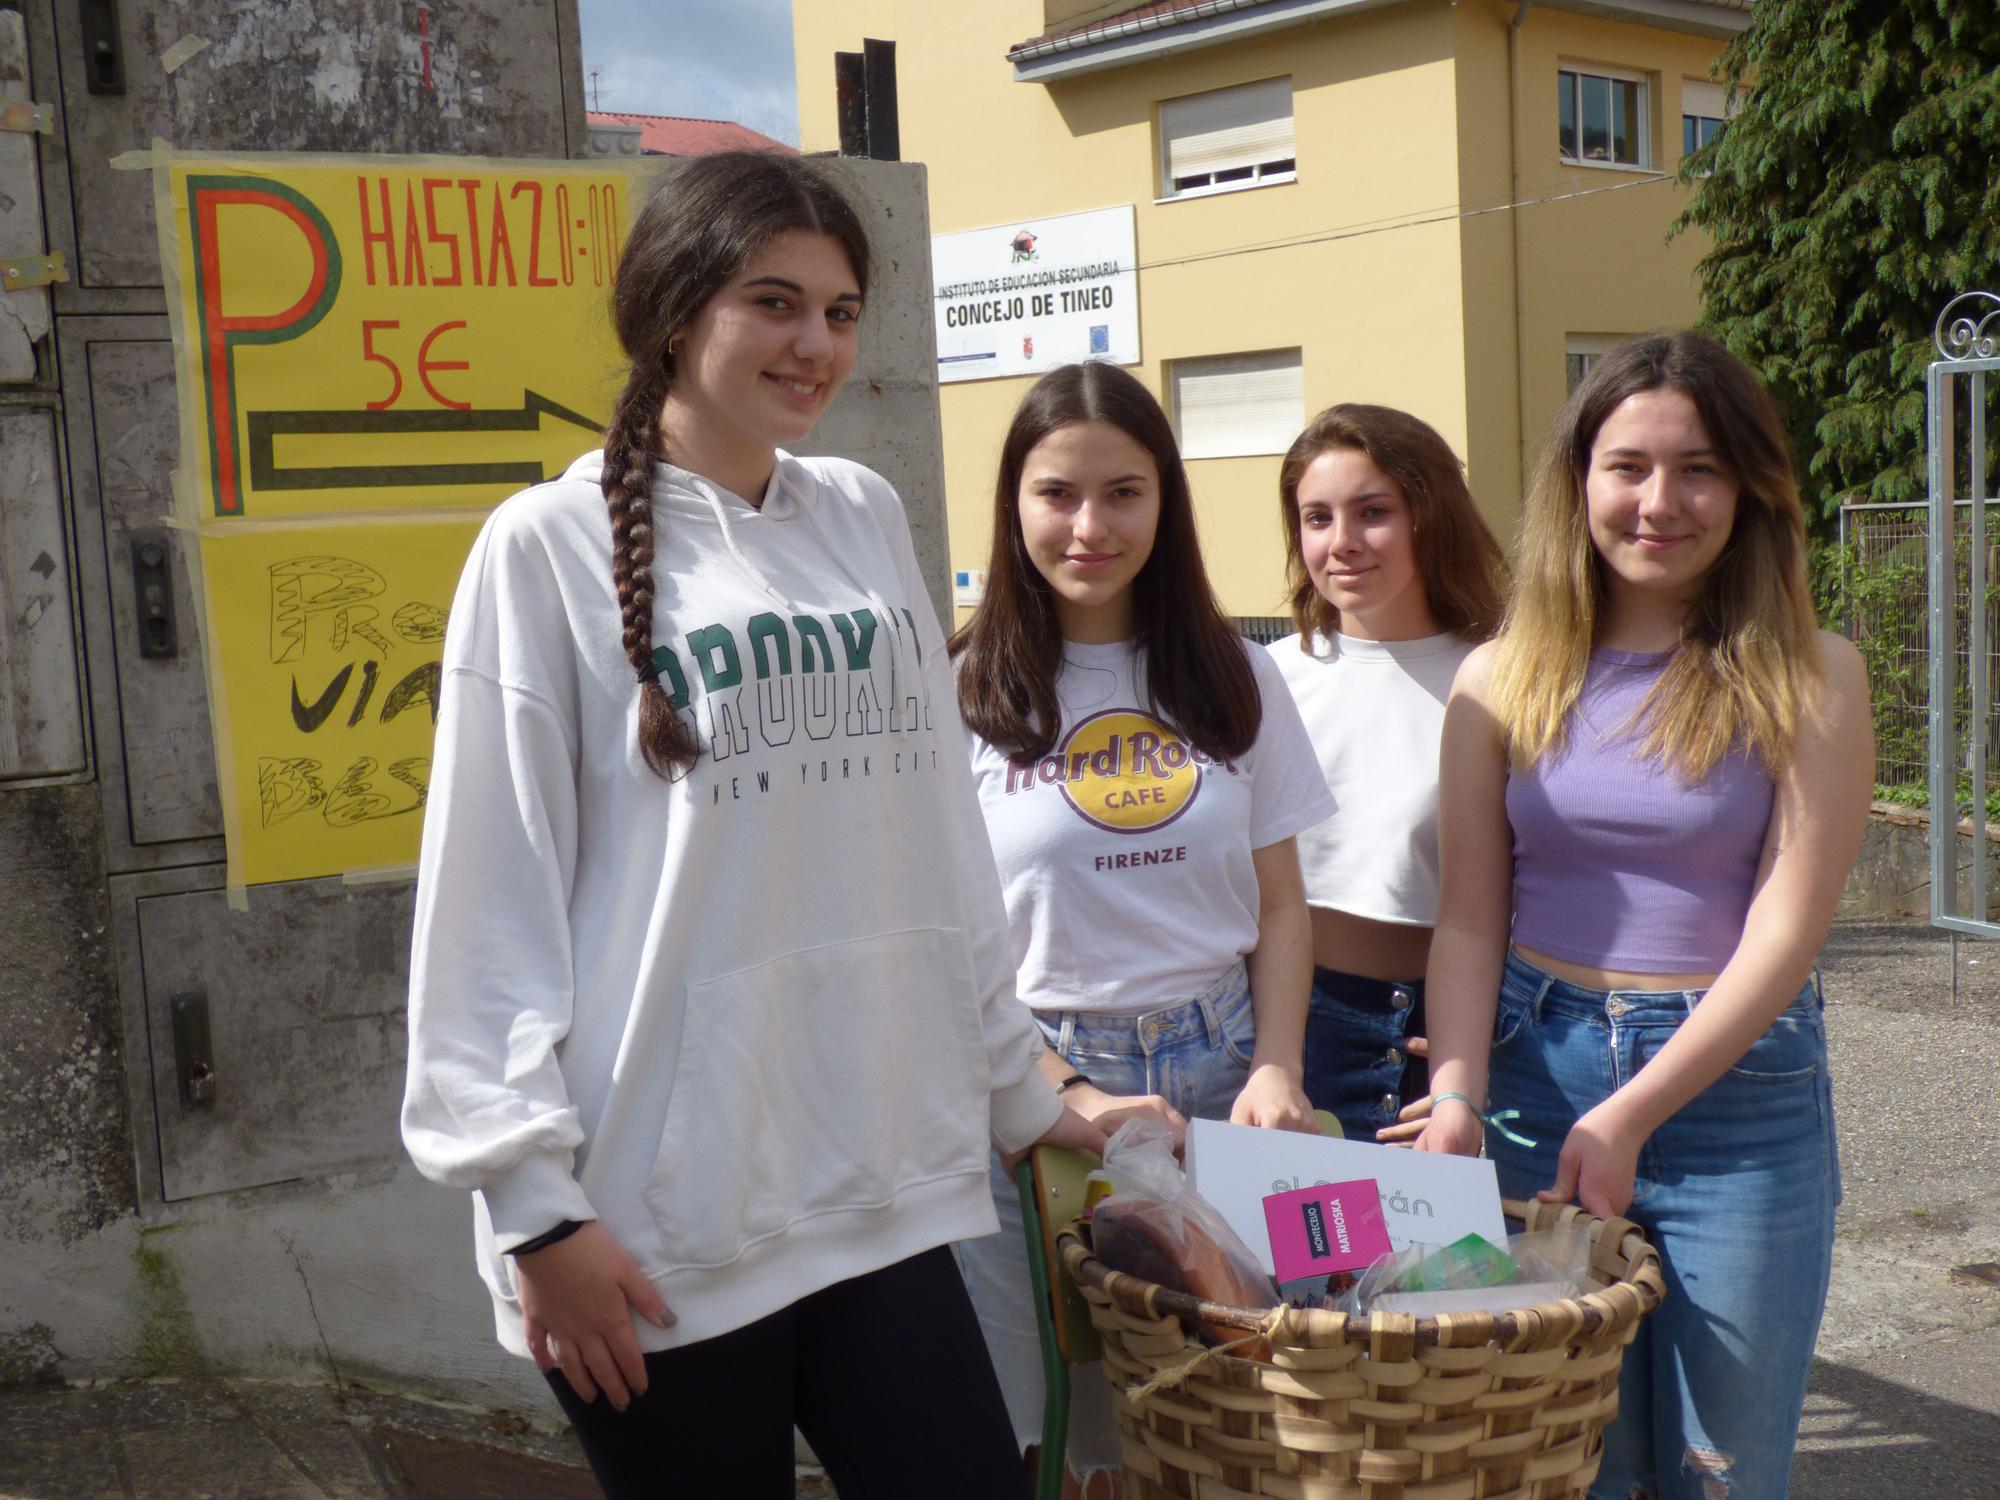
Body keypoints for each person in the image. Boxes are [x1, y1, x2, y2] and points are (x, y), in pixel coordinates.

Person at [399, 151, 1100, 1500]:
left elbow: (935, 826)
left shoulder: (861, 512)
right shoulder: (541, 548)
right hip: (656, 1222)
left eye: (840, 312)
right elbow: (489, 889)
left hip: (878, 1177)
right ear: (674, 309)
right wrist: (530, 1205)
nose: (815, 344)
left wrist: (1019, 1084)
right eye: (774, 303)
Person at [1416, 332, 1871, 1498]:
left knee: (1721, 1473)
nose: (1657, 501)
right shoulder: (1496, 676)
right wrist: (1457, 1095)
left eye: (1698, 469)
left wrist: (1629, 1113)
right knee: (1563, 1461)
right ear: (1578, 482)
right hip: (1531, 1083)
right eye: (1626, 466)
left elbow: (1783, 928)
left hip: (1737, 1106)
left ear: (1750, 490)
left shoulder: (1810, 675)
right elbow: (1468, 915)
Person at [951, 361, 1333, 1493]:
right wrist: (1049, 1089)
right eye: (1055, 493)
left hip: (1220, 1074)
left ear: (1164, 502)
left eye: (1122, 492)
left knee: (1235, 1411)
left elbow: (1278, 903)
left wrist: (1276, 1065)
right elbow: (944, 938)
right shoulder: (957, 689)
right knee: (1054, 1430)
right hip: (1031, 1091)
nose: (1088, 525)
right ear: (1013, 504)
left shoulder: (1237, 674)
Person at [1265, 405, 1507, 1143]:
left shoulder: (1505, 672)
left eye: (1373, 513)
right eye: (1316, 518)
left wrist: (1471, 1053)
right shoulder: (1264, 679)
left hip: (1459, 1041)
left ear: (1429, 516)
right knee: (1314, 1258)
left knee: (1455, 1258)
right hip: (1296, 1033)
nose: (1341, 543)